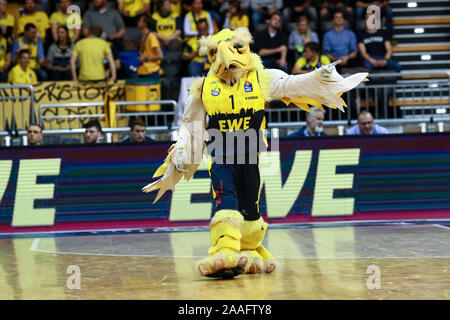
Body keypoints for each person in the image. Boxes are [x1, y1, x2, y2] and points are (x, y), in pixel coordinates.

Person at [143, 28, 367, 279]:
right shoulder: (204, 87)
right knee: (226, 201)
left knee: (251, 208)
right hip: (221, 155)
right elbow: (190, 123)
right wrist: (183, 149)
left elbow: (291, 84)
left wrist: (317, 77)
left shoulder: (261, 78)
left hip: (250, 155)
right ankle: (224, 251)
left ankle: (250, 251)